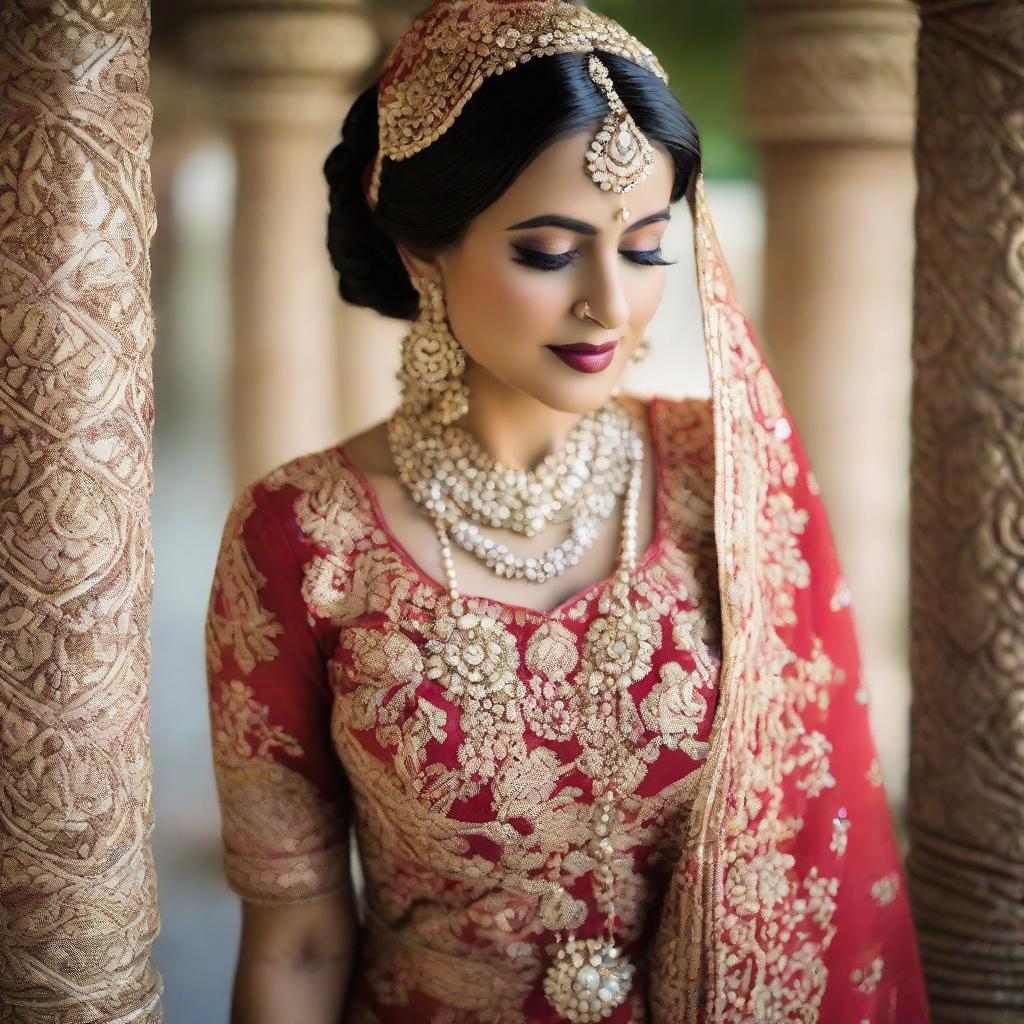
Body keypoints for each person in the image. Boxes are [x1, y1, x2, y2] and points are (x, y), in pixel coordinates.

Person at [203, 3, 931, 1022]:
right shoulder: (300, 535)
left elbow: (824, 851)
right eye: (549, 250)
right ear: (419, 245)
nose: (607, 303)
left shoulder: (727, 471)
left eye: (642, 247)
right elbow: (298, 940)